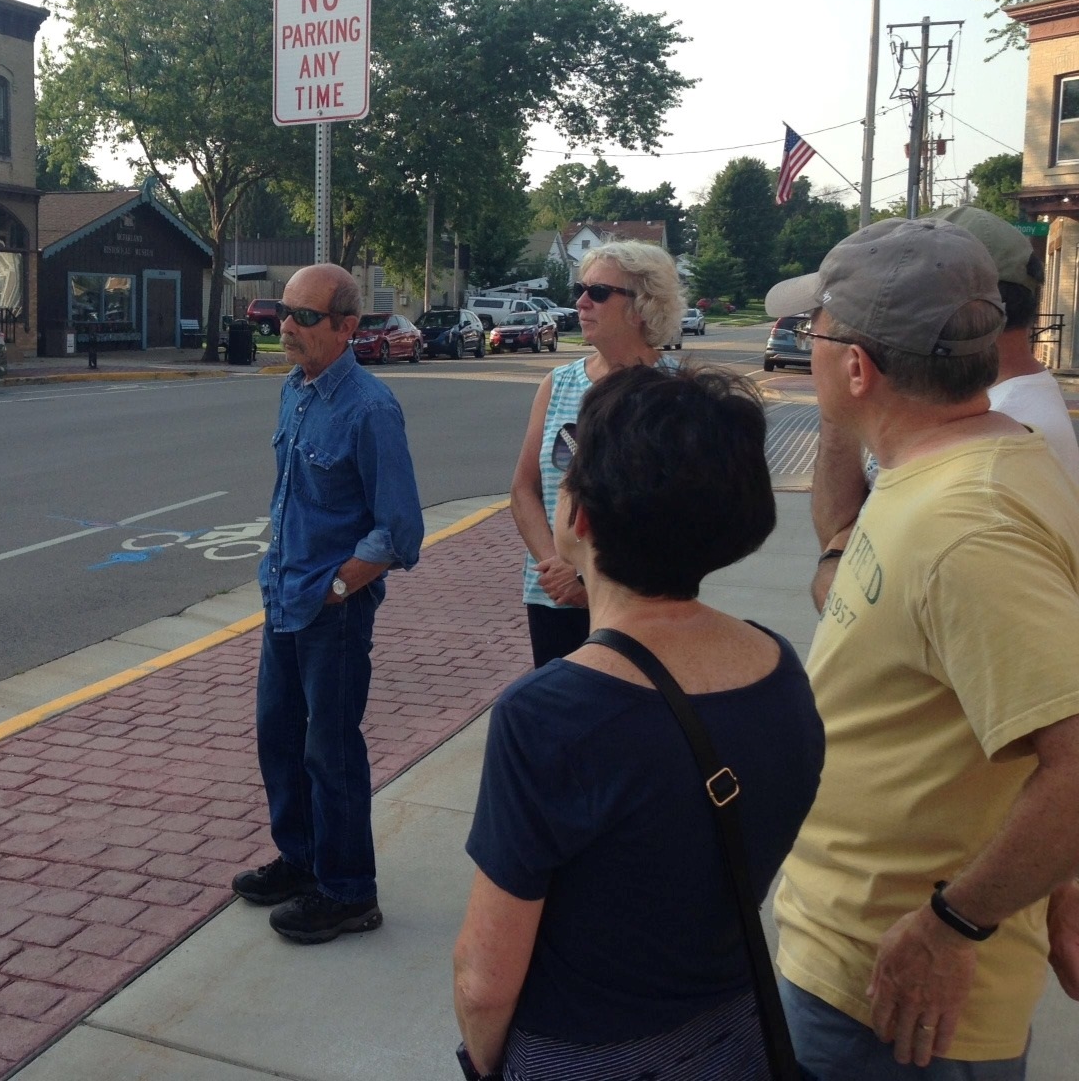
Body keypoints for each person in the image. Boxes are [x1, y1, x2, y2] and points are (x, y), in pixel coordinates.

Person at [763, 217, 1079, 1077]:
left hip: (902, 1005)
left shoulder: (966, 527)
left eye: (816, 334)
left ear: (859, 366)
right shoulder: (951, 467)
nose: (803, 346)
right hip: (856, 963)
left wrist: (954, 926)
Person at [453, 364, 824, 1081]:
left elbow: (483, 981)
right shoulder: (778, 668)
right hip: (736, 1040)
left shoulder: (550, 716)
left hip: (585, 1055)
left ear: (581, 518)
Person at [230, 263, 424, 944]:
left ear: (347, 327)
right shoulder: (295, 390)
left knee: (330, 750)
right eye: (283, 312)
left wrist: (339, 588)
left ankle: (347, 892)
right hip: (283, 595)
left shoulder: (370, 408)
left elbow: (400, 530)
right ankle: (301, 861)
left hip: (331, 612)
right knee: (277, 737)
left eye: (305, 316)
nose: (286, 326)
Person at [800, 204, 1079, 611]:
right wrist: (841, 398)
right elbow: (844, 534)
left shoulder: (997, 448)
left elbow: (849, 588)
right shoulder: (967, 418)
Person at [509, 241, 684, 669]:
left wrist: (589, 578)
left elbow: (677, 516)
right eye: (581, 289)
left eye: (599, 293)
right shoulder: (558, 383)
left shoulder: (677, 394)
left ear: (642, 306)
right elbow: (524, 490)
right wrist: (557, 565)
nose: (581, 302)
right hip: (552, 597)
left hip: (638, 605)